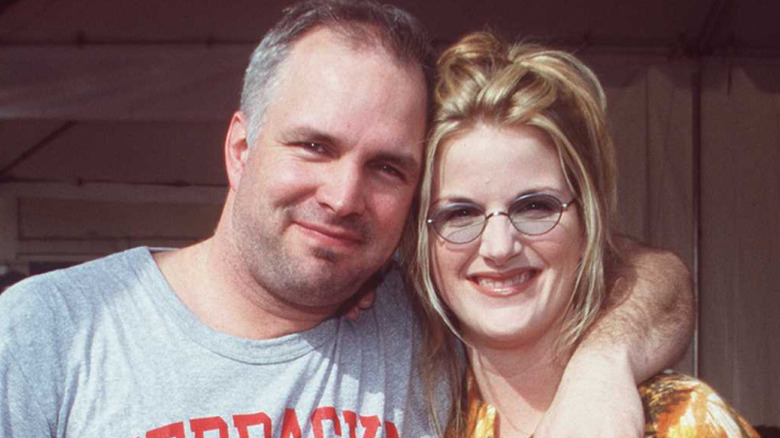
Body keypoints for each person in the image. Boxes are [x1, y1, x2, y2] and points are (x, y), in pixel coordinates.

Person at [0, 1, 691, 437]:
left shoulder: (427, 319)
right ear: (241, 148)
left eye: (387, 167)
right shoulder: (52, 331)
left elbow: (648, 274)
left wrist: (602, 368)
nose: (342, 196)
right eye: (314, 146)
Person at [410, 30, 757, 437]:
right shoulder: (406, 415)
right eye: (460, 213)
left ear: (587, 224)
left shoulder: (682, 422)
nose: (500, 247)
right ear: (422, 240)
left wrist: (603, 367)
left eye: (535, 207)